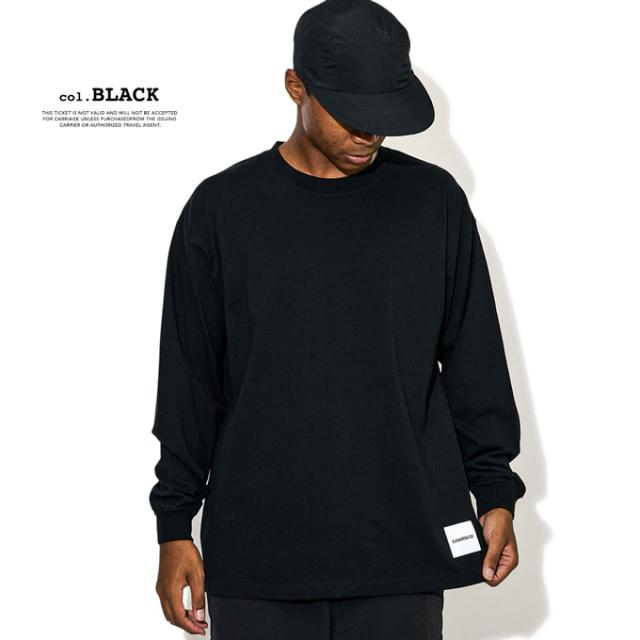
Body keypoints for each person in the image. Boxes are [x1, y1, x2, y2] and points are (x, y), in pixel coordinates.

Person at [148, 1, 527, 638]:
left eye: (385, 116)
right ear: (296, 86)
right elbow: (189, 382)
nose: (370, 134)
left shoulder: (432, 203)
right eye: (353, 114)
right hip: (259, 553)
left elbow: (474, 361)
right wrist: (174, 527)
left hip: (402, 547)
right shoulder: (222, 211)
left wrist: (495, 491)